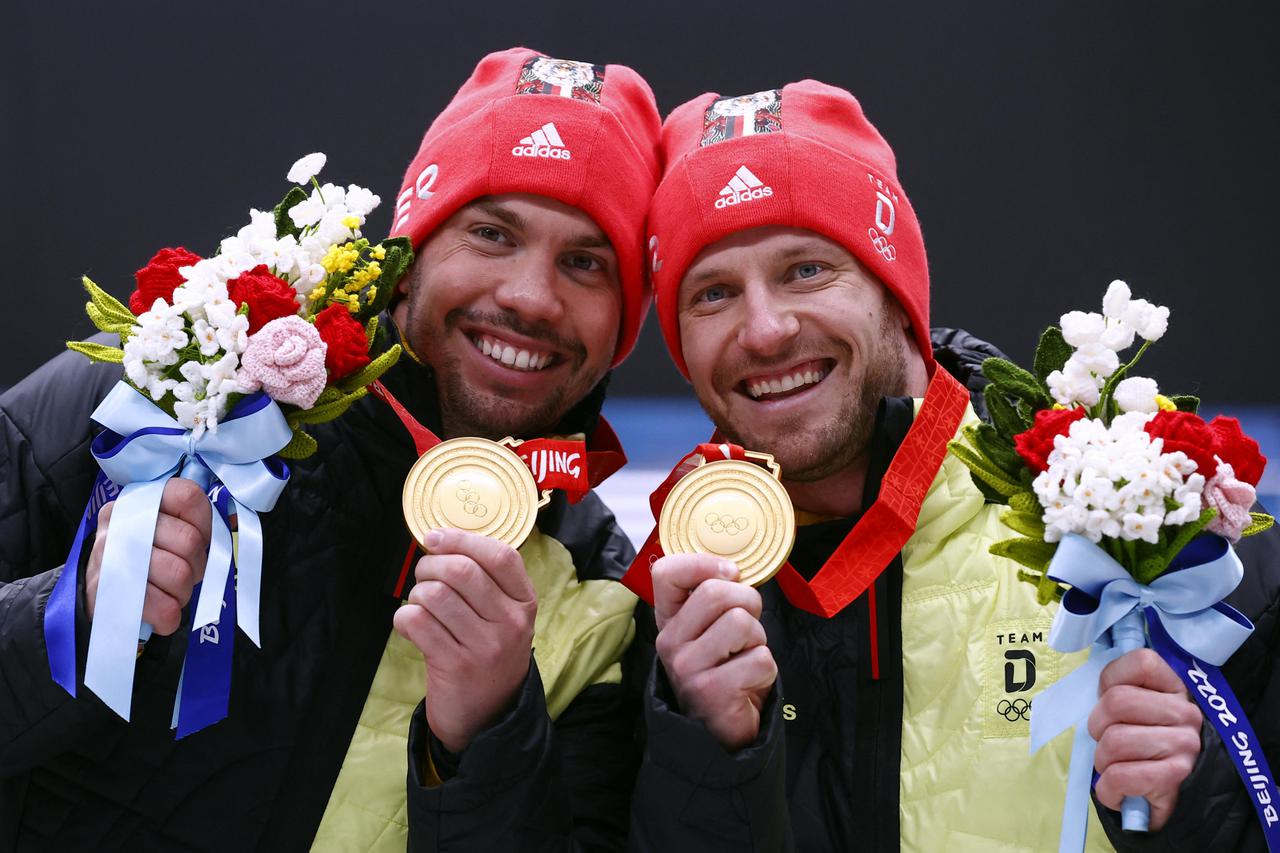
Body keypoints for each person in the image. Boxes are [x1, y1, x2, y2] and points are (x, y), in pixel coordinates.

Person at [0, 47, 661, 851]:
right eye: (492, 233)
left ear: (623, 323)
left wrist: (487, 741)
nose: (530, 296)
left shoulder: (598, 596)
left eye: (585, 263)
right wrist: (69, 615)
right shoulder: (162, 392)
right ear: (407, 261)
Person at [624, 80, 1280, 851]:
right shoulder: (668, 610)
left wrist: (1191, 809)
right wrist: (708, 758)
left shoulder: (1160, 537)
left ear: (896, 291)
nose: (764, 329)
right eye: (712, 293)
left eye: (806, 269)